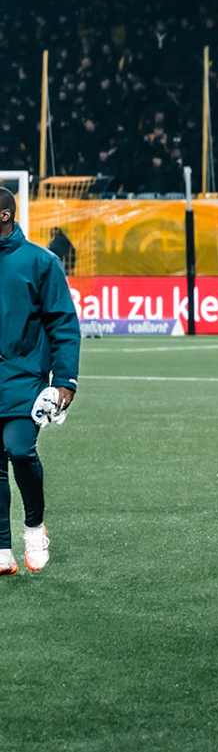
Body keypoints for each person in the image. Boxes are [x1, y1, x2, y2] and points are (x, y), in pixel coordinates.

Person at [0, 189, 78, 575]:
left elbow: (63, 323)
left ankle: (34, 529)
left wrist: (65, 380)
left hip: (24, 379)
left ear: (4, 215)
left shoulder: (41, 262)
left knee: (19, 450)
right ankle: (2, 546)